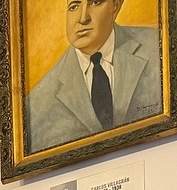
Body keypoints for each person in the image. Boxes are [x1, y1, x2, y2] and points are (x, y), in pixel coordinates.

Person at [25, 0, 163, 156]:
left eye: (95, 2)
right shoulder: (37, 106)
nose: (83, 18)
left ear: (115, 6)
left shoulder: (158, 47)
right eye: (74, 6)